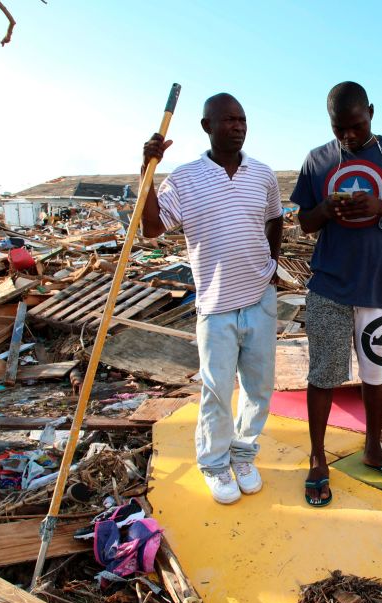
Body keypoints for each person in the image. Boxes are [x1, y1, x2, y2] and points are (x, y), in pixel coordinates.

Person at [291, 81, 382, 507]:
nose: (348, 136)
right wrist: (327, 209)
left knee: (375, 375)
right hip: (329, 286)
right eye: (339, 128)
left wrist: (380, 207)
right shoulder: (318, 160)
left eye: (356, 125)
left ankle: (373, 448)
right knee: (324, 375)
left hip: (378, 287)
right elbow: (304, 223)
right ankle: (318, 460)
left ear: (371, 111)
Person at [141, 93, 283, 505]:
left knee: (259, 390)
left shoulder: (263, 174)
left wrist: (270, 265)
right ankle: (214, 463)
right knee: (217, 391)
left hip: (260, 298)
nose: (238, 126)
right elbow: (152, 228)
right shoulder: (184, 178)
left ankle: (243, 453)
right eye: (228, 120)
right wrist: (146, 172)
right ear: (207, 126)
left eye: (242, 119)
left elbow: (275, 218)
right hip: (216, 305)